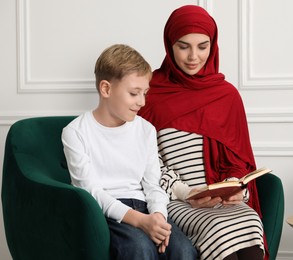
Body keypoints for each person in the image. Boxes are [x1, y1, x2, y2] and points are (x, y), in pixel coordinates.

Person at [139, 5, 267, 260]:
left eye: (202, 46)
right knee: (218, 229)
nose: (193, 57)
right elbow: (146, 162)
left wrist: (236, 191)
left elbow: (239, 161)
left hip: (221, 200)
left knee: (250, 220)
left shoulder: (227, 96)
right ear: (169, 44)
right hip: (176, 199)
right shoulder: (150, 92)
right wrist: (187, 192)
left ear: (213, 45)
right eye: (183, 46)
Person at [62, 44, 197, 260]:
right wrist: (140, 221)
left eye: (145, 93)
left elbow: (153, 184)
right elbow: (92, 192)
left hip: (146, 207)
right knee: (139, 249)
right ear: (106, 89)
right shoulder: (76, 132)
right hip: (108, 213)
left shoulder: (145, 130)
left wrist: (158, 217)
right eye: (134, 93)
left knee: (184, 251)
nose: (142, 102)